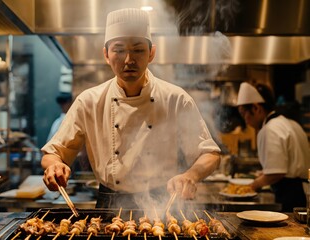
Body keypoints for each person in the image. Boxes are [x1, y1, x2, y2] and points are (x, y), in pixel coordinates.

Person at [41, 8, 221, 209]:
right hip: (109, 204)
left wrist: (191, 175)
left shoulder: (176, 99)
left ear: (151, 53)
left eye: (138, 50)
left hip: (161, 204)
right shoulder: (89, 101)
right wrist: (54, 166)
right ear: (106, 55)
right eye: (119, 50)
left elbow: (209, 153)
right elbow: (53, 153)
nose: (128, 60)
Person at [236, 82, 310, 212]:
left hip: (292, 195)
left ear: (256, 108)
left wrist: (253, 185)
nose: (245, 120)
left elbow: (276, 172)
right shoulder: (289, 122)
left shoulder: (270, 129)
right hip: (303, 191)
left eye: (244, 114)